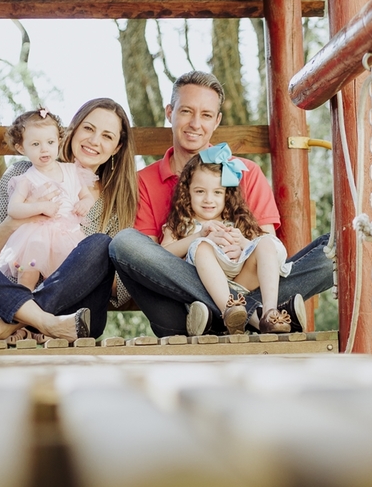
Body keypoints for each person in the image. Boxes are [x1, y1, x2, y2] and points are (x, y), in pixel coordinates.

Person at [109, 71, 334, 337]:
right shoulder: (143, 182)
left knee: (339, 246)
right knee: (124, 244)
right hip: (180, 313)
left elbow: (268, 244)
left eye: (206, 115)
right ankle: (253, 314)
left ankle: (236, 314)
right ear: (169, 112)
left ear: (217, 121)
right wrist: (198, 239)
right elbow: (150, 261)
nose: (195, 123)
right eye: (186, 112)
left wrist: (241, 242)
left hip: (247, 279)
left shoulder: (245, 171)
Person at [0, 98, 137, 343]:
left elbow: (119, 291)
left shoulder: (115, 204)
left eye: (107, 136)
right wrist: (19, 219)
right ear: (72, 131)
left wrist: (83, 265)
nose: (94, 141)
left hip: (72, 315)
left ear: (116, 148)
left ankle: (4, 328)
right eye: (89, 129)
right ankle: (41, 322)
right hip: (0, 304)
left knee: (100, 245)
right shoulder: (22, 174)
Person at [162, 146, 295, 335]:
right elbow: (160, 257)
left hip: (242, 282)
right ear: (187, 192)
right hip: (204, 290)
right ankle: (231, 313)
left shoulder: (236, 223)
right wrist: (199, 237)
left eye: (217, 192)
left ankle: (269, 312)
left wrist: (243, 245)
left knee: (265, 242)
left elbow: (259, 254)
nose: (209, 199)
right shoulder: (180, 224)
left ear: (227, 195)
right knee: (202, 247)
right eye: (200, 191)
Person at [0, 108, 97, 290]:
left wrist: (84, 203)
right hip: (36, 234)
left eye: (50, 142)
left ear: (58, 141)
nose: (44, 149)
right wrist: (40, 206)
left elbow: (87, 196)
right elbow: (14, 209)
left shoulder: (71, 171)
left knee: (67, 272)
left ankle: (54, 303)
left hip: (68, 233)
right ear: (21, 148)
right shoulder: (26, 179)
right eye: (35, 144)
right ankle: (24, 300)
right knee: (29, 270)